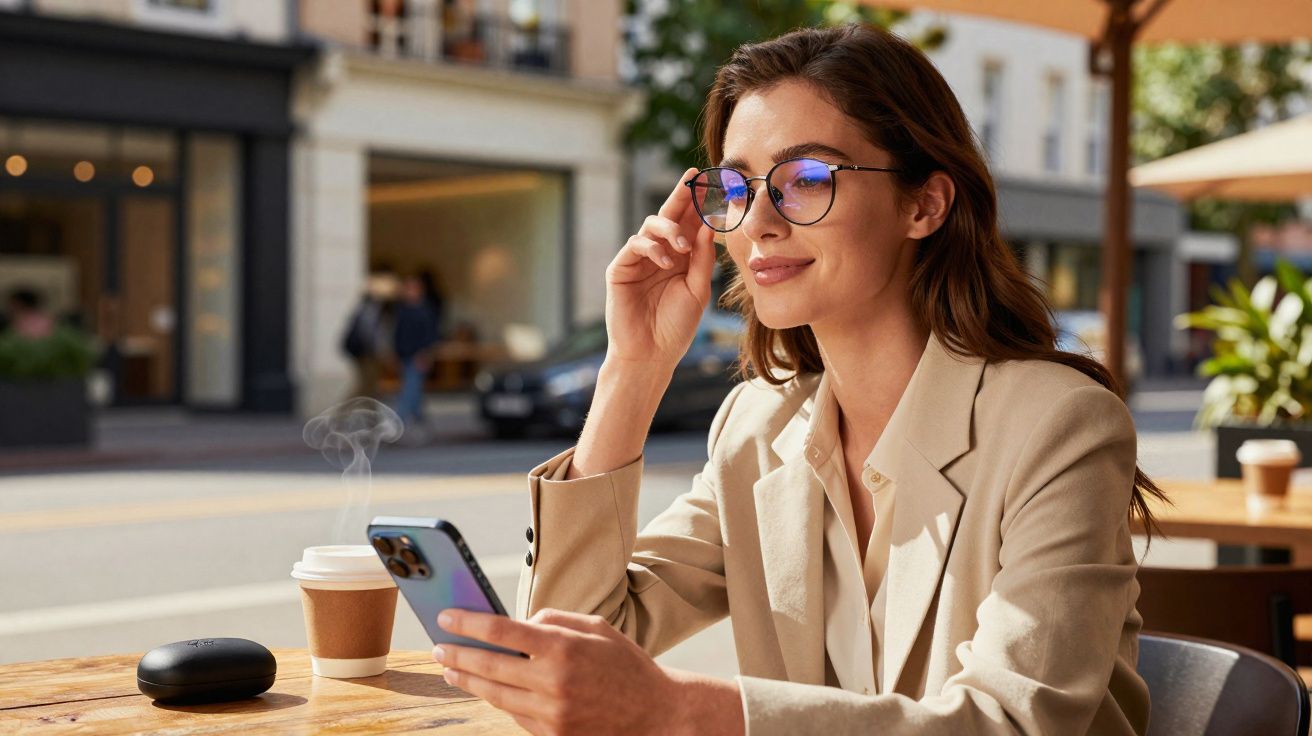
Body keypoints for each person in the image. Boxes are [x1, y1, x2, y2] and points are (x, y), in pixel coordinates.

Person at [429, 23, 1165, 735]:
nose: (758, 223)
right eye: (738, 187)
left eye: (806, 179)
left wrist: (678, 713)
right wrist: (635, 367)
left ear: (924, 204)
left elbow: (1012, 723)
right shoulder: (757, 427)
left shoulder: (1059, 424)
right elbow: (572, 643)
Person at [392, 274, 439, 435]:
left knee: (409, 390)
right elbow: (398, 335)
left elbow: (430, 335)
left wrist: (426, 354)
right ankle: (421, 421)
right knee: (414, 391)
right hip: (405, 355)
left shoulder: (424, 311)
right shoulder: (403, 311)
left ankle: (397, 425)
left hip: (418, 357)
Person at [341, 272, 398, 399]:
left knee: (370, 384)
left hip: (366, 351)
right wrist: (380, 351)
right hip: (365, 352)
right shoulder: (372, 308)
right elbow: (371, 333)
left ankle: (367, 412)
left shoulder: (372, 307)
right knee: (366, 383)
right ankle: (344, 411)